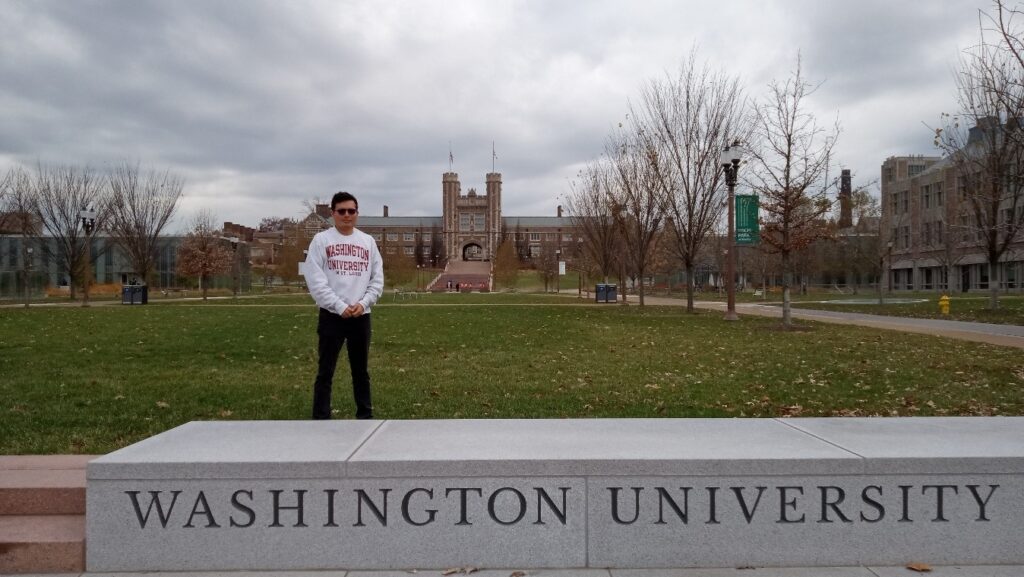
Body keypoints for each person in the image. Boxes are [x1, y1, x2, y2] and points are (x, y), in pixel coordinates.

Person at [305, 191, 384, 420]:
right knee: (325, 371)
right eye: (342, 211)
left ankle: (365, 416)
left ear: (357, 214)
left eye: (351, 211)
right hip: (332, 316)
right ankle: (320, 418)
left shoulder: (367, 242)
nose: (347, 215)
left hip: (361, 315)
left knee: (361, 372)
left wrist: (364, 303)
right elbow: (316, 280)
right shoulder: (321, 241)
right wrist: (339, 306)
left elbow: (377, 279)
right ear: (333, 214)